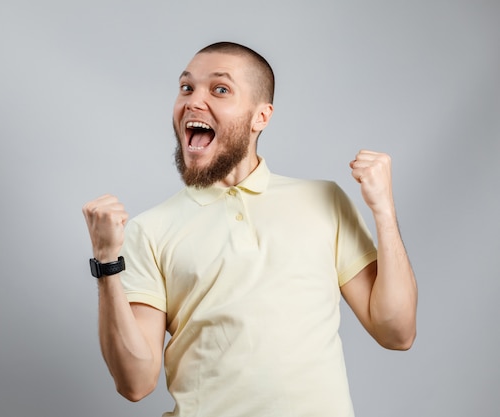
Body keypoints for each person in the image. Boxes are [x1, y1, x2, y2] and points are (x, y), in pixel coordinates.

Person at [83, 41, 417, 417]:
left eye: (220, 89)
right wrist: (107, 261)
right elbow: (136, 383)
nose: (193, 101)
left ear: (261, 116)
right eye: (186, 87)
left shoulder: (325, 201)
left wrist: (384, 210)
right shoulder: (149, 230)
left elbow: (397, 332)